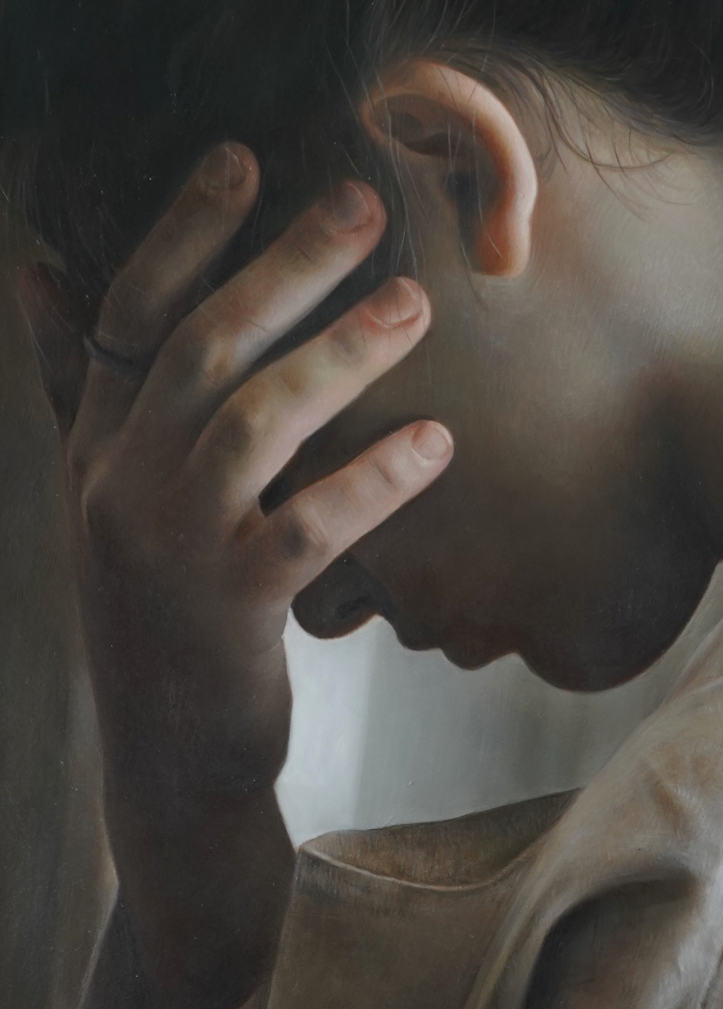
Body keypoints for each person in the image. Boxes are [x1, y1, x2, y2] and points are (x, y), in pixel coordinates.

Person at [4, 0, 723, 1005]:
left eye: (287, 446)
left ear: (460, 170)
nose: (317, 608)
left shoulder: (675, 883)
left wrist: (193, 848)